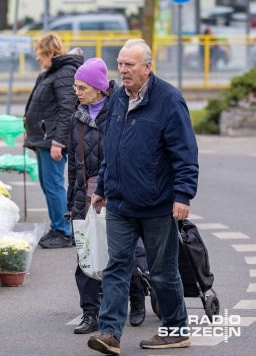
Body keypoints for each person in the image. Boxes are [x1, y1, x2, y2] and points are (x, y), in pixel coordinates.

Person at [87, 39, 199, 355]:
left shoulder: (169, 100)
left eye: (129, 65)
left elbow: (185, 153)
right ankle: (110, 334)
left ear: (147, 67)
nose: (122, 70)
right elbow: (113, 148)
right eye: (120, 64)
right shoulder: (118, 100)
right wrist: (104, 187)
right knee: (116, 267)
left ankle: (177, 330)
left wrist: (183, 195)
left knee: (162, 271)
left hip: (158, 204)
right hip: (121, 203)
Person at [66, 58, 148, 334]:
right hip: (82, 197)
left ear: (100, 89)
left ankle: (135, 299)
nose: (77, 93)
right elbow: (72, 163)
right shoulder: (76, 116)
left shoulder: (118, 113)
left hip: (113, 196)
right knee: (85, 256)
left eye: (82, 87)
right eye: (75, 87)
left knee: (119, 255)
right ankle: (90, 313)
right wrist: (71, 203)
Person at [23, 33, 82, 249]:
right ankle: (58, 227)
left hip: (52, 140)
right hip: (44, 138)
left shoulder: (64, 73)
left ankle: (63, 231)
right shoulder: (53, 72)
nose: (38, 58)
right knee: (48, 185)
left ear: (52, 53)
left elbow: (68, 109)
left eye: (41, 54)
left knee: (54, 185)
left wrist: (58, 142)